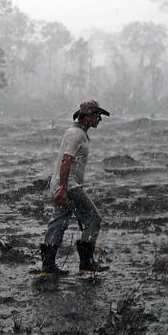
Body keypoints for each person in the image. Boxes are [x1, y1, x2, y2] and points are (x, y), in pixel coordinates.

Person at [38, 100, 111, 277]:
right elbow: (66, 161)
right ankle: (86, 264)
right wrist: (63, 188)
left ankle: (48, 267)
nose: (99, 119)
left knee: (59, 221)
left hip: (64, 184)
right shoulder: (76, 135)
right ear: (87, 116)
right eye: (97, 115)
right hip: (68, 185)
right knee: (94, 219)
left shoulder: (76, 133)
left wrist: (61, 187)